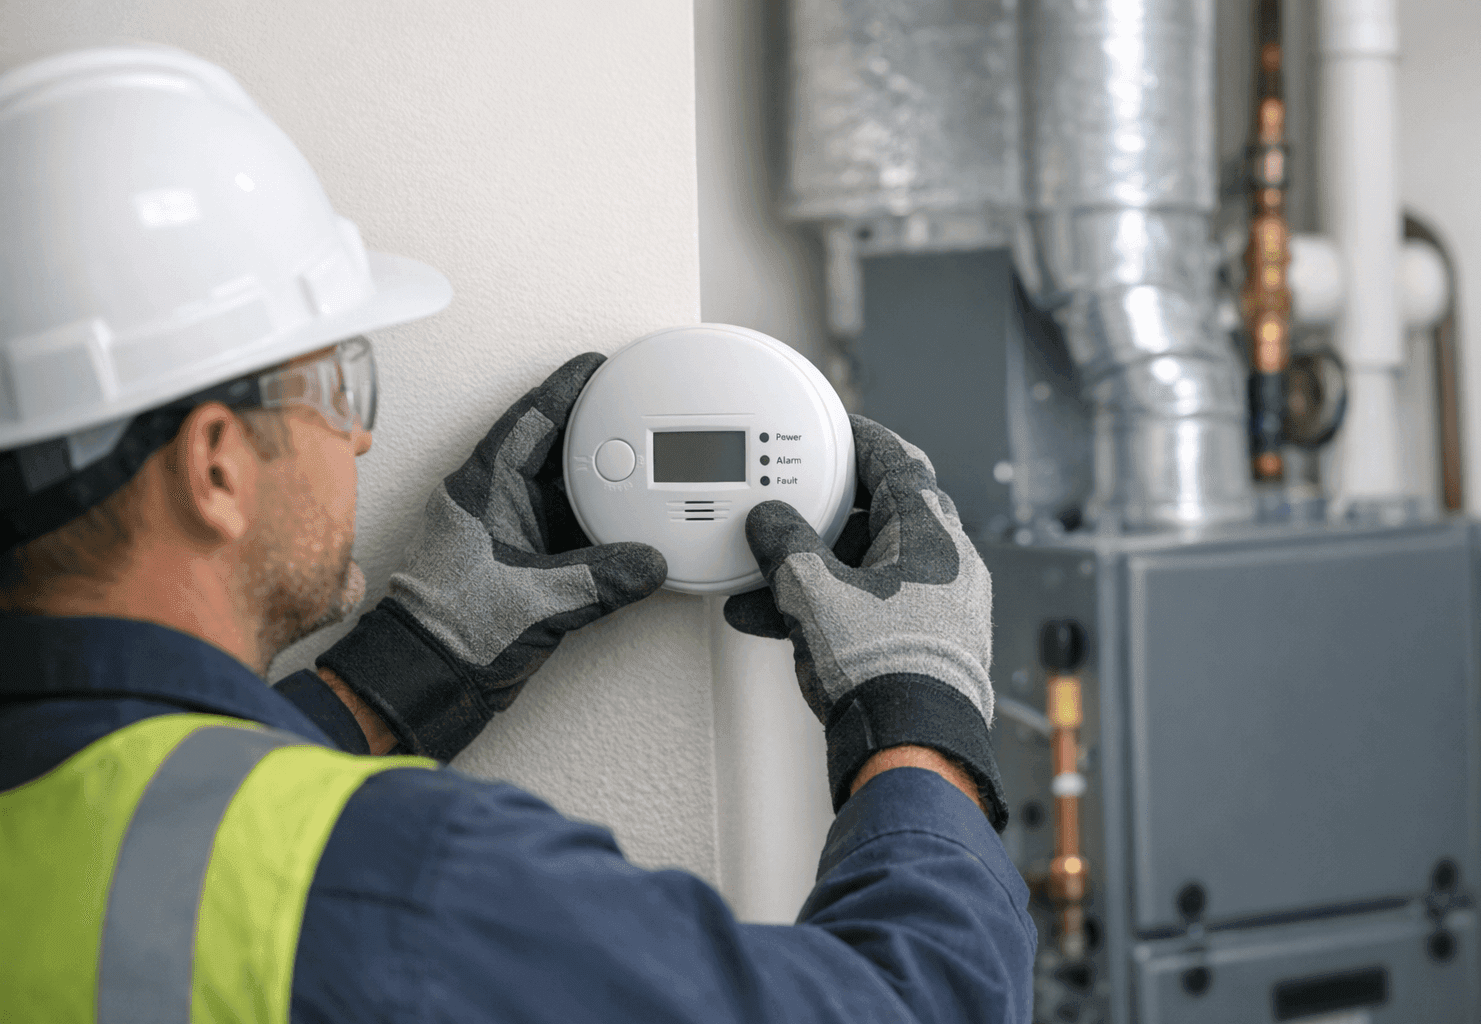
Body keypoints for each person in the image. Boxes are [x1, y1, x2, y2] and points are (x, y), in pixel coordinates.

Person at [0, 45, 1037, 1023]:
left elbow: (148, 833)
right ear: (215, 466)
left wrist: (399, 676)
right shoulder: (395, 879)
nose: (359, 437)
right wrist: (920, 716)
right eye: (333, 384)